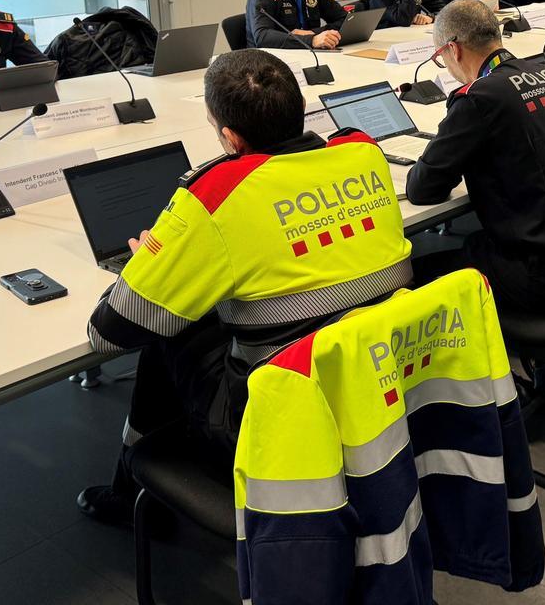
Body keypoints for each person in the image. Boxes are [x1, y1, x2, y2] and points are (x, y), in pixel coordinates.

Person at [76, 49, 413, 524]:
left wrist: (151, 264)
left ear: (230, 137)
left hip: (279, 412)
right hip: (381, 378)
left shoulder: (218, 192)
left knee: (167, 326)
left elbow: (108, 333)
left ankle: (133, 489)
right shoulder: (363, 152)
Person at [405, 0, 545, 314]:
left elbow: (422, 188)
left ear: (453, 50)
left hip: (541, 275)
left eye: (441, 58)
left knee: (412, 273)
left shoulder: (478, 98)